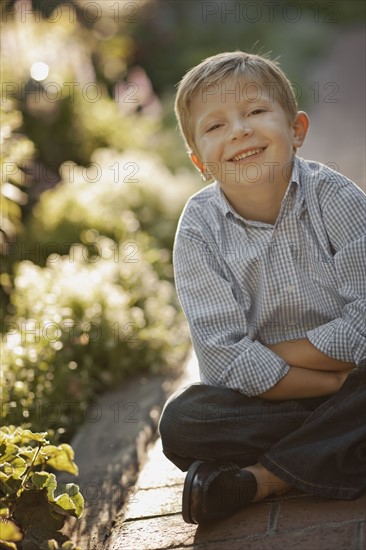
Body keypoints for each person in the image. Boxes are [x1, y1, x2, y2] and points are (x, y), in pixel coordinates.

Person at [158, 51, 366, 525]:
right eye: (215, 127)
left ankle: (262, 480)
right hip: (290, 397)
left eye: (255, 112)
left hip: (351, 378)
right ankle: (341, 439)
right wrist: (334, 385)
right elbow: (225, 360)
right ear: (199, 161)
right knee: (184, 423)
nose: (239, 131)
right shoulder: (197, 231)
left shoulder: (334, 197)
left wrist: (272, 350)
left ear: (296, 130)